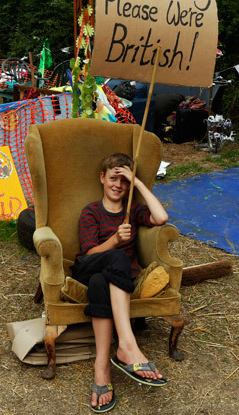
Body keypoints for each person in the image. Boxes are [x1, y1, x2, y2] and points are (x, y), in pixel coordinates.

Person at [72, 153, 169, 413]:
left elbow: (161, 218)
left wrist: (137, 184)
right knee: (113, 258)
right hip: (88, 265)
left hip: (113, 279)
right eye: (113, 178)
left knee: (99, 283)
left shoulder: (133, 210)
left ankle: (101, 370)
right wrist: (115, 239)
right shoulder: (91, 211)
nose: (118, 185)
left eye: (124, 181)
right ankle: (127, 345)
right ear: (102, 178)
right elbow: (90, 254)